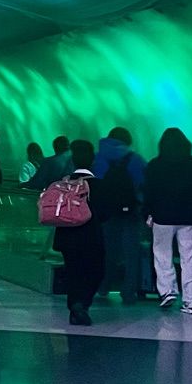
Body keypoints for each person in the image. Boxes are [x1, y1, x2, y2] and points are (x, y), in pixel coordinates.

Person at [144, 127, 192, 314]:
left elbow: (149, 192)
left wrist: (147, 213)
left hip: (163, 217)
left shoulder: (155, 164)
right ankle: (191, 300)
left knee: (162, 255)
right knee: (191, 258)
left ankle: (167, 291)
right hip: (190, 218)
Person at [52, 140, 106, 326]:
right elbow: (105, 213)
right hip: (90, 237)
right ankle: (82, 303)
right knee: (94, 270)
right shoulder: (98, 185)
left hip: (67, 237)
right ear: (92, 161)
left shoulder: (63, 184)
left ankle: (75, 305)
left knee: (73, 270)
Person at [93, 127, 148, 303]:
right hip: (131, 212)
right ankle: (128, 291)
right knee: (131, 252)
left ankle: (103, 285)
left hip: (105, 212)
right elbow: (143, 184)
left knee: (107, 251)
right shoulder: (135, 159)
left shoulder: (98, 157)